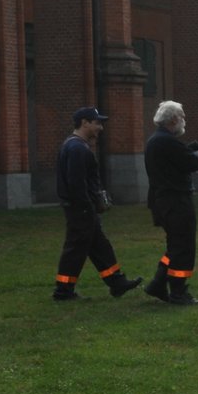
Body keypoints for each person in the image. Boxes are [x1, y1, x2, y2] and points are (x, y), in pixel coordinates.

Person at [52, 106, 143, 301]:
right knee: (75, 250)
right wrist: (87, 205)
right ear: (84, 123)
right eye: (97, 123)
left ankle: (117, 282)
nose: (100, 128)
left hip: (82, 208)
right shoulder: (77, 148)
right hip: (81, 208)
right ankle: (63, 291)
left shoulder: (74, 145)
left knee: (100, 246)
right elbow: (76, 183)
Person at [143, 100, 198, 305]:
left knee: (174, 246)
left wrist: (186, 150)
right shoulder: (167, 141)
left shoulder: (156, 140)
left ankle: (158, 284)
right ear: (174, 119)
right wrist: (195, 152)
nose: (184, 120)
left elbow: (173, 161)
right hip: (176, 201)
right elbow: (192, 163)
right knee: (184, 247)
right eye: (182, 116)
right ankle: (178, 291)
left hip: (162, 200)